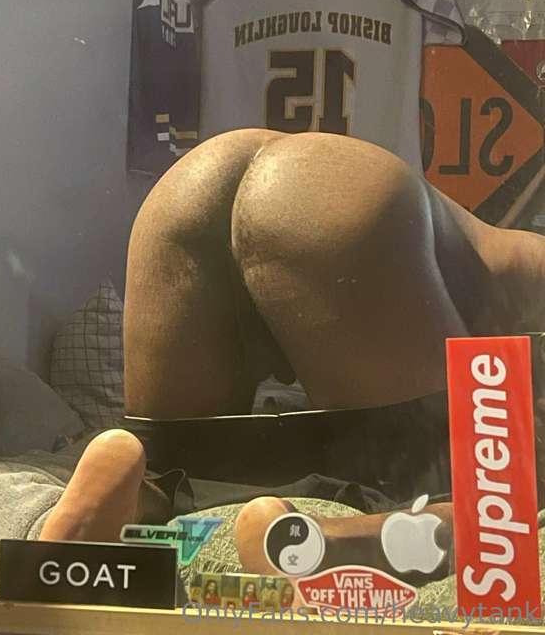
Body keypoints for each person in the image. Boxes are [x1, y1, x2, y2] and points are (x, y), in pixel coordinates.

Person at [40, 129, 545, 578]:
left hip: (196, 181)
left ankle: (135, 494)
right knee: (496, 506)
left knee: (178, 462)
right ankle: (320, 542)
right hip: (331, 198)